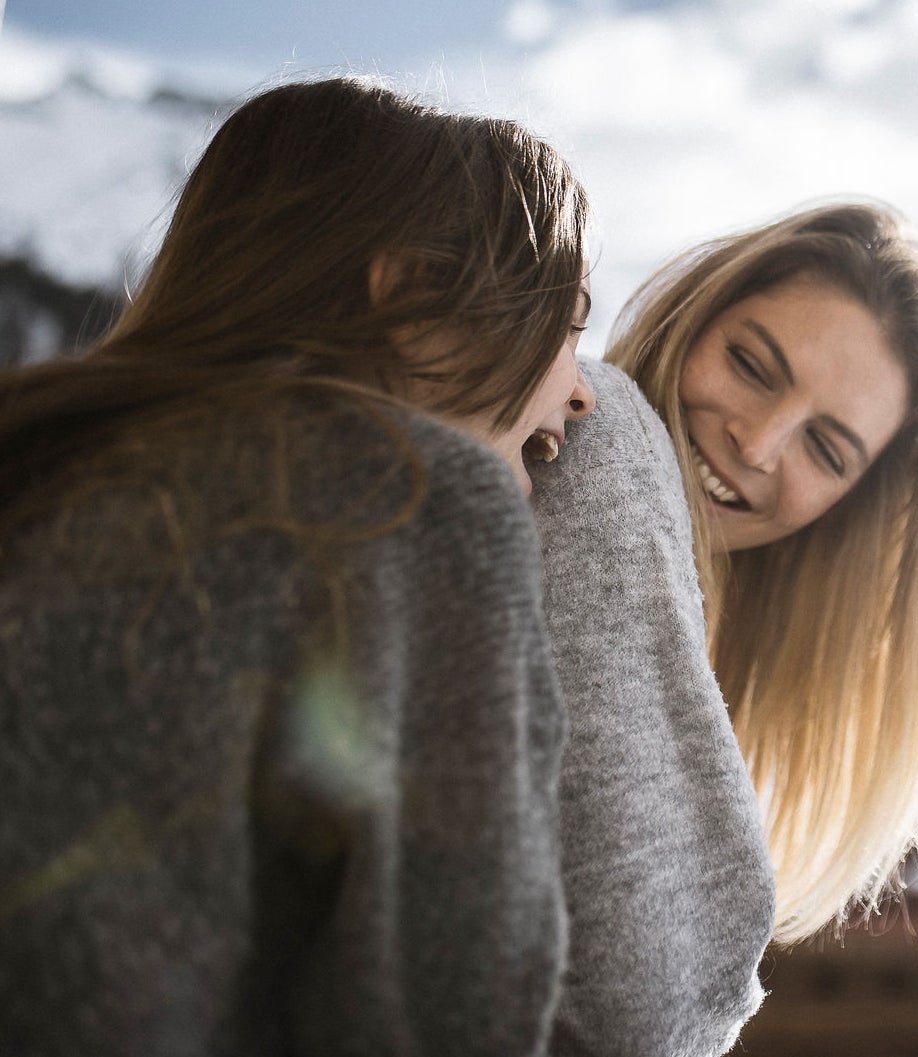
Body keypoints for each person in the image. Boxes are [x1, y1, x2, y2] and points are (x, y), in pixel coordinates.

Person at [0, 77, 599, 1055]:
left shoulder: (45, 452)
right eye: (567, 320)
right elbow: (451, 1001)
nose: (581, 393)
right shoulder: (414, 496)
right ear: (406, 292)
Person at [537, 200, 918, 951]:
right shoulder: (564, 479)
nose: (756, 445)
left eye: (825, 449)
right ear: (691, 316)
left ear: (849, 512)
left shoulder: (706, 654)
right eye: (751, 366)